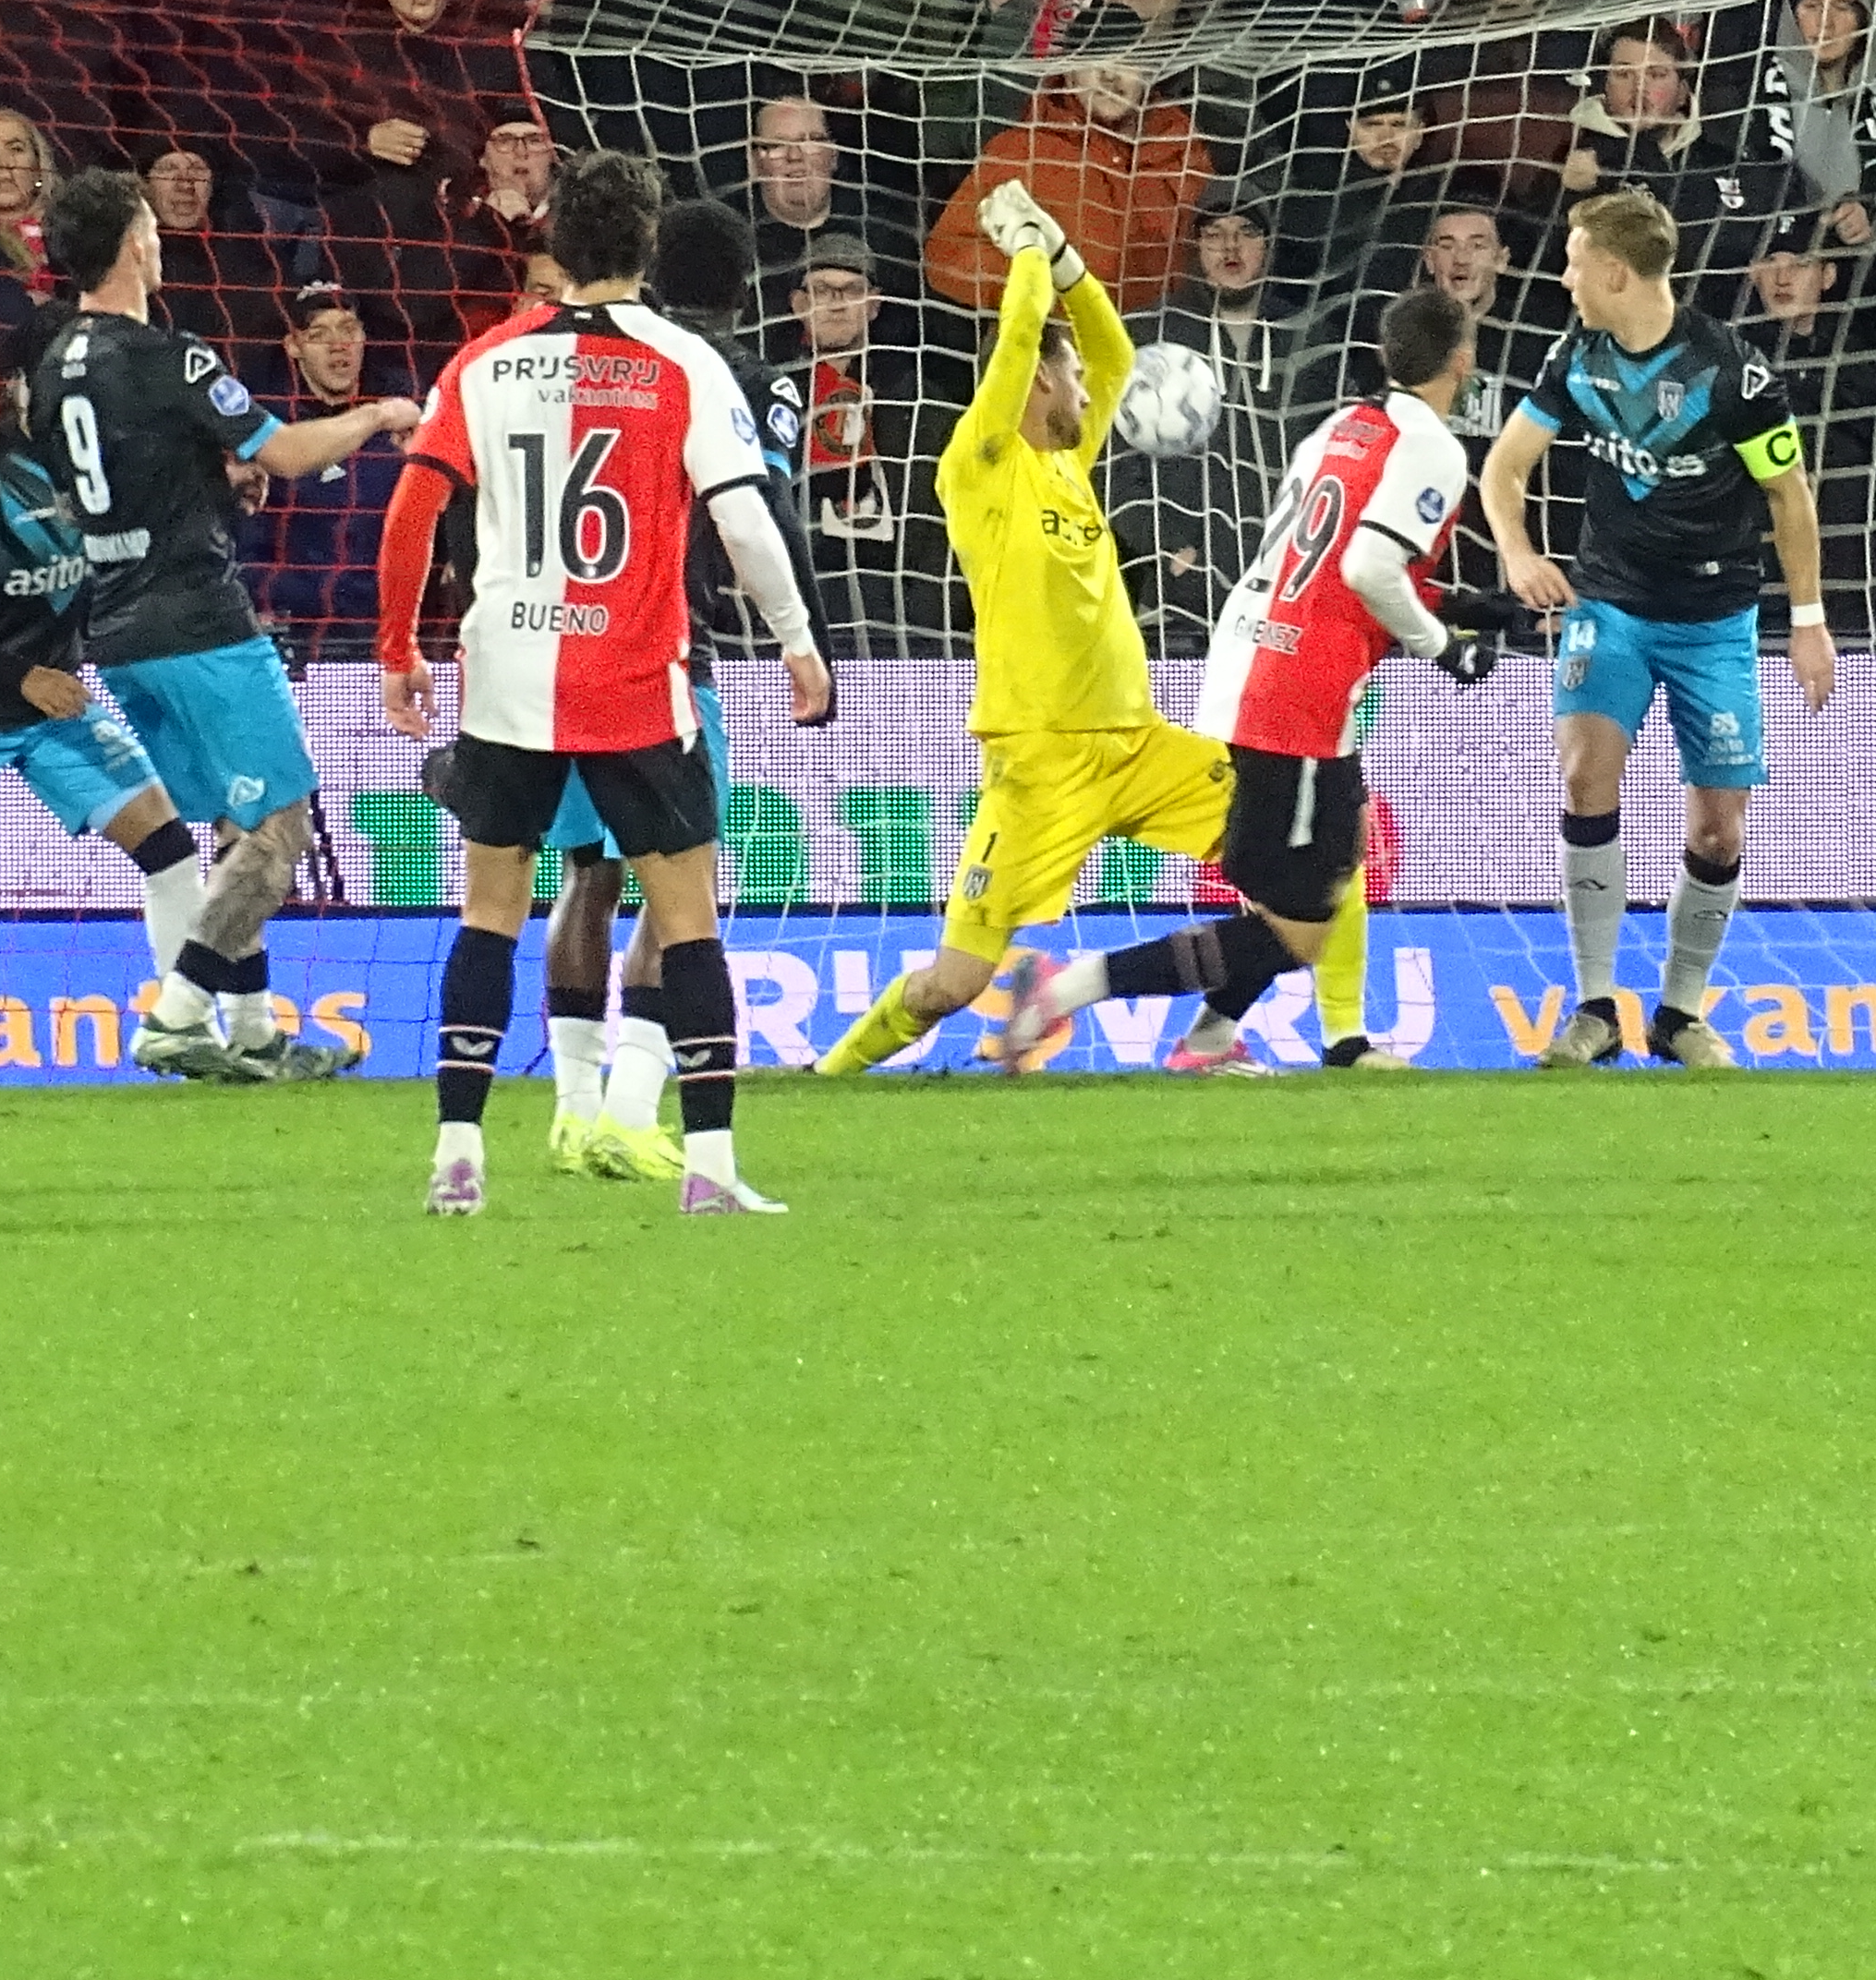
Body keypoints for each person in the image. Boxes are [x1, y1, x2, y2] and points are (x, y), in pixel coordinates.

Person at [817, 177, 1374, 1082]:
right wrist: (1027, 254)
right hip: (1039, 764)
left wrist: (1065, 255)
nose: (1093, 388)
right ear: (1040, 375)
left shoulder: (1069, 460)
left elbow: (1112, 351)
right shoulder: (982, 464)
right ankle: (828, 1080)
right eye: (1068, 373)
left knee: (1322, 859)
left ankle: (1338, 1046)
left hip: (1138, 745)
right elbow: (1015, 346)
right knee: (951, 985)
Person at [377, 151, 829, 1213]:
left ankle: (458, 1153)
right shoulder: (683, 362)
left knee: (491, 914)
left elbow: (410, 513)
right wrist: (798, 640)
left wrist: (399, 648)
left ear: (560, 246)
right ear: (647, 244)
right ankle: (710, 1170)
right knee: (690, 920)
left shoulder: (484, 363)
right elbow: (744, 514)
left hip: (506, 683)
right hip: (636, 683)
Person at [994, 283, 1531, 1072]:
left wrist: (1460, 607)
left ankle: (1211, 1039)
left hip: (1247, 659)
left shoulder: (1340, 430)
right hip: (1302, 694)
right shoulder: (1436, 450)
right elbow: (1369, 566)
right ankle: (1063, 990)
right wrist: (1442, 647)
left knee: (1327, 856)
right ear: (1464, 359)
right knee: (1300, 926)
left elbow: (1326, 564)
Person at [29, 165, 426, 1070]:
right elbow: (285, 453)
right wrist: (377, 413)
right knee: (281, 829)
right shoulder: (172, 355)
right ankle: (177, 1013)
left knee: (235, 831)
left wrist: (198, 482)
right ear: (137, 242)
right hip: (200, 620)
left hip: (116, 630)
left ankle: (251, 1035)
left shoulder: (49, 366)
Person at [1479, 187, 1835, 1069]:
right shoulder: (1576, 359)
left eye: (1571, 262)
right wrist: (1519, 554)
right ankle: (1595, 1009)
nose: (1561, 278)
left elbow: (1788, 498)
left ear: (1613, 271)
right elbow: (1504, 468)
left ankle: (1679, 1014)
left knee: (1719, 830)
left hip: (1715, 621)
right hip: (1610, 605)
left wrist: (1809, 621)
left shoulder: (1732, 373)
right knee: (1582, 774)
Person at [0, 325, 257, 1092]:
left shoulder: (94, 471)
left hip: (55, 704)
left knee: (170, 851)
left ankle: (187, 1030)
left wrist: (227, 497)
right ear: (20, 388)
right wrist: (22, 676)